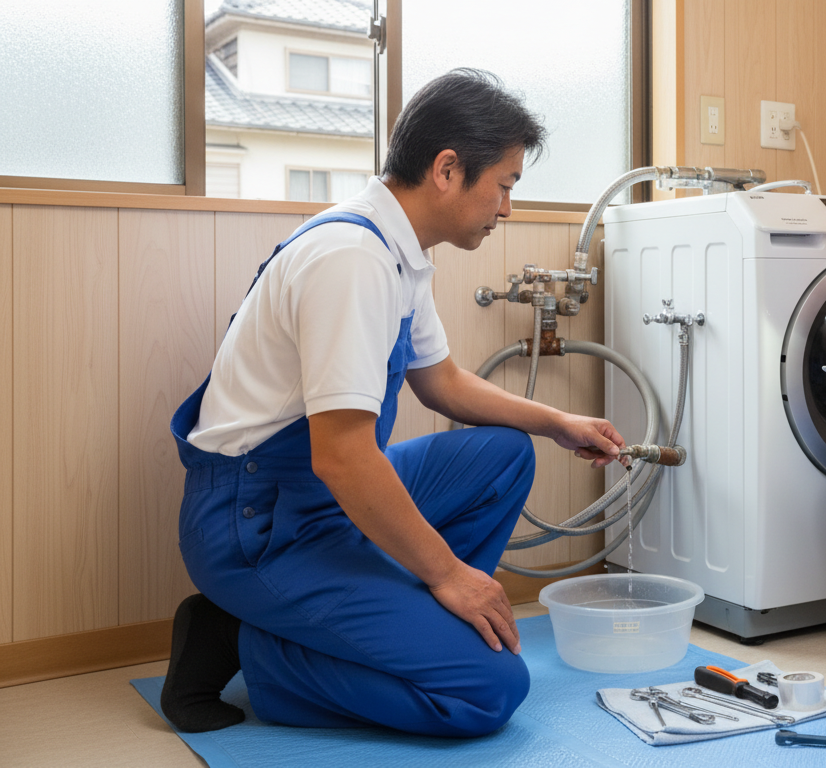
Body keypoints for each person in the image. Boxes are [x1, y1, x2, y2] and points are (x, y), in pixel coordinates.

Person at [161, 69, 627, 736]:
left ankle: (402, 621)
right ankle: (246, 643)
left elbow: (442, 383)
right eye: (504, 186)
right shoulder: (351, 259)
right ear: (447, 169)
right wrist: (449, 575)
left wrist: (558, 422)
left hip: (312, 502)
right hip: (258, 525)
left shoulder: (396, 251)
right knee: (487, 692)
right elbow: (345, 459)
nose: (507, 209)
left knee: (501, 454)